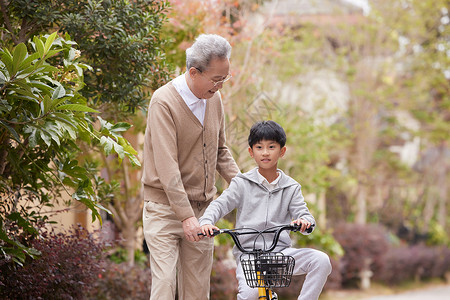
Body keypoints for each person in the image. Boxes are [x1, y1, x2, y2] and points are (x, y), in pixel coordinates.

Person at [141, 34, 239, 300]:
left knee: (197, 291)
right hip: (164, 210)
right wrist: (185, 217)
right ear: (194, 72)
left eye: (225, 78)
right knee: (164, 285)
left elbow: (220, 151)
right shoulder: (163, 102)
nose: (220, 86)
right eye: (216, 79)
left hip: (203, 209)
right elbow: (167, 165)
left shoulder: (214, 100)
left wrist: (246, 186)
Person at [199, 120, 332, 300]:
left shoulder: (291, 187)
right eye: (259, 147)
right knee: (252, 293)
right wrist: (207, 222)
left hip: (280, 255)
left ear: (282, 151)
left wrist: (304, 222)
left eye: (271, 146)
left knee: (321, 260)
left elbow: (303, 213)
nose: (265, 152)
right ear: (251, 152)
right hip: (249, 257)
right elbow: (219, 204)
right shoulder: (242, 183)